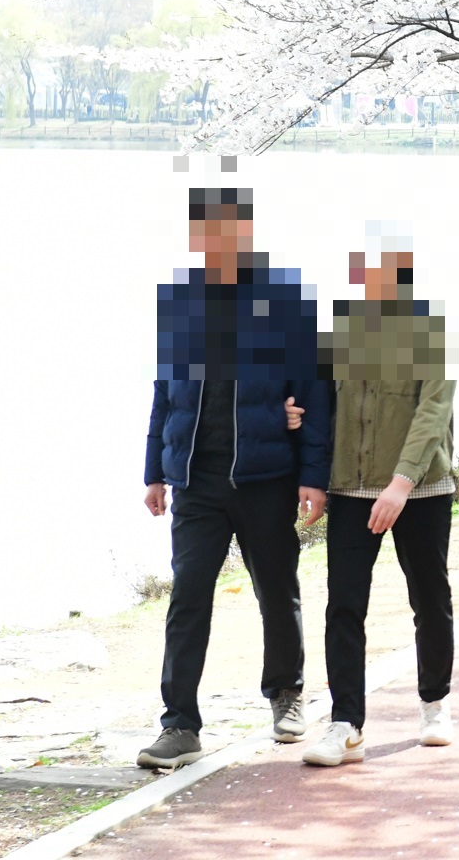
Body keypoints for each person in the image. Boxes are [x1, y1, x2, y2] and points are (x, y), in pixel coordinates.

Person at [140, 188, 331, 771]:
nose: (215, 244)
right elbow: (161, 391)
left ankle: (287, 695)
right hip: (195, 479)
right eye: (206, 233)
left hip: (266, 476)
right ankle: (179, 725)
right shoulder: (181, 300)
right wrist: (153, 470)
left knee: (278, 590)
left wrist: (314, 476)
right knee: (188, 598)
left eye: (227, 233)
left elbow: (315, 393)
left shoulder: (285, 299)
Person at [302, 226, 456, 767]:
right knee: (343, 604)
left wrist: (402, 482)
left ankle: (434, 703)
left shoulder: (432, 331)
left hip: (420, 490)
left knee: (429, 598)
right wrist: (308, 463)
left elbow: (433, 413)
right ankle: (345, 724)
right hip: (348, 488)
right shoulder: (341, 331)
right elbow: (320, 407)